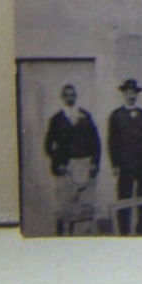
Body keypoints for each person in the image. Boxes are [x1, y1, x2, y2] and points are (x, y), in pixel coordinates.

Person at [44, 83, 100, 235]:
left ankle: (83, 239)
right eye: (67, 95)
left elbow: (96, 142)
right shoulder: (56, 119)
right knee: (65, 207)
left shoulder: (86, 116)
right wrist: (59, 164)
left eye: (73, 94)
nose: (70, 97)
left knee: (85, 207)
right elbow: (48, 145)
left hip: (85, 166)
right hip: (66, 168)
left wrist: (94, 163)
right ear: (62, 98)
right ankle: (63, 240)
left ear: (76, 96)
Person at [107, 78, 142, 235]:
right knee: (124, 196)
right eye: (128, 93)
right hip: (124, 164)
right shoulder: (116, 115)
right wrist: (115, 164)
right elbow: (112, 141)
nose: (131, 96)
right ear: (123, 94)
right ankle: (124, 231)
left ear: (137, 95)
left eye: (134, 93)